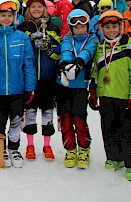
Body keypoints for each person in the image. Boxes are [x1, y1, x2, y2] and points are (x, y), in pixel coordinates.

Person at [0, 0, 36, 168]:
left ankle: (14, 148)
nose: (6, 19)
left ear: (15, 17)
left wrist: (30, 87)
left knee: (15, 119)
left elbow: (28, 64)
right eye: (3, 16)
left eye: (9, 16)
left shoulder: (22, 37)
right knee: (1, 118)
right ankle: (1, 149)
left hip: (17, 87)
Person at [17, 0, 61, 161]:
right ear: (28, 10)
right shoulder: (23, 27)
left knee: (47, 112)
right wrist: (30, 41)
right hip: (29, 78)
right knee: (30, 111)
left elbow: (59, 52)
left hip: (47, 77)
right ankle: (30, 144)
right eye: (33, 7)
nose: (36, 9)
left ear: (45, 9)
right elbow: (19, 50)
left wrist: (49, 46)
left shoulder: (53, 26)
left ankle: (47, 144)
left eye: (39, 6)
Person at [89, 10, 131, 180]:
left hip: (124, 96)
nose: (111, 30)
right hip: (105, 95)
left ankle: (129, 162)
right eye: (107, 27)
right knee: (108, 127)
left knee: (127, 131)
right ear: (101, 28)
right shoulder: (100, 47)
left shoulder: (128, 46)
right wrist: (93, 90)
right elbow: (95, 71)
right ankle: (114, 157)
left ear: (121, 26)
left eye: (115, 26)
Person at [56, 9, 98, 169]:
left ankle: (84, 149)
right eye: (76, 26)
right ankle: (70, 149)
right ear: (71, 28)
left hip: (80, 86)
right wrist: (65, 64)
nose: (79, 29)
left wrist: (80, 62)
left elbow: (89, 52)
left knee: (79, 118)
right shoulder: (67, 39)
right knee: (65, 118)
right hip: (64, 86)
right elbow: (66, 51)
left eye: (82, 26)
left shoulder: (92, 39)